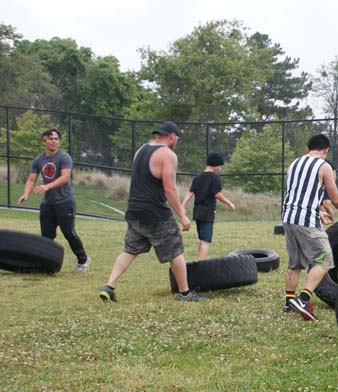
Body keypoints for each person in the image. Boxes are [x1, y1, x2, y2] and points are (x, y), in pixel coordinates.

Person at [98, 121, 206, 303]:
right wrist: (182, 214)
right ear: (172, 136)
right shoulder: (167, 154)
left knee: (131, 250)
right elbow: (169, 189)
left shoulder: (141, 150)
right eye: (177, 138)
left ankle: (109, 286)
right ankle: (185, 294)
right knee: (176, 251)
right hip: (155, 212)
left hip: (134, 210)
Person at [281, 134, 338, 320]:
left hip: (288, 217)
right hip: (306, 220)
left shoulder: (294, 164)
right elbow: (335, 197)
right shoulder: (324, 166)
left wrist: (319, 212)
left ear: (309, 148)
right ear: (326, 149)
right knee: (326, 259)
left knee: (295, 263)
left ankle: (289, 303)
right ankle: (304, 299)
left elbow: (299, 194)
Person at [17, 128, 90, 272]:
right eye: (51, 138)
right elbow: (31, 179)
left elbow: (64, 177)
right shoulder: (38, 160)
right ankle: (46, 264)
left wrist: (46, 186)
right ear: (44, 141)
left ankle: (83, 260)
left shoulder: (64, 157)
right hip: (47, 205)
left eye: (56, 139)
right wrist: (26, 193)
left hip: (64, 202)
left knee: (69, 233)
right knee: (46, 236)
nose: (54, 141)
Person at [181, 152, 236, 260]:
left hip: (197, 212)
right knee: (205, 241)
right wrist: (229, 203)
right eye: (220, 166)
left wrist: (183, 206)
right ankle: (201, 265)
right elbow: (217, 194)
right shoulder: (214, 178)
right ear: (215, 165)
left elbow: (190, 192)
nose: (220, 168)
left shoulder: (197, 177)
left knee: (202, 239)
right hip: (207, 213)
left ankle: (199, 260)